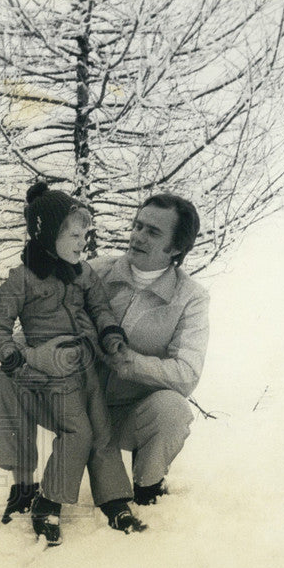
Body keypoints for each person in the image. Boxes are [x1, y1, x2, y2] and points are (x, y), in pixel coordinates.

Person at [0, 182, 137, 547]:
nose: (81, 243)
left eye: (84, 235)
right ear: (48, 233)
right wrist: (13, 358)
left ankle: (114, 498)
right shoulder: (22, 278)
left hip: (86, 366)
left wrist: (110, 333)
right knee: (77, 432)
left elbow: (100, 307)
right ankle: (48, 502)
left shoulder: (83, 273)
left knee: (101, 431)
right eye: (73, 234)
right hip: (51, 371)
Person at [86, 193, 209, 509]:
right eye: (137, 226)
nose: (137, 236)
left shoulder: (190, 298)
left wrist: (130, 362)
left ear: (177, 248)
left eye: (153, 232)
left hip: (128, 415)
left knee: (173, 409)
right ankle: (26, 487)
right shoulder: (94, 272)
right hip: (76, 405)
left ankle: (148, 487)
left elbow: (187, 374)